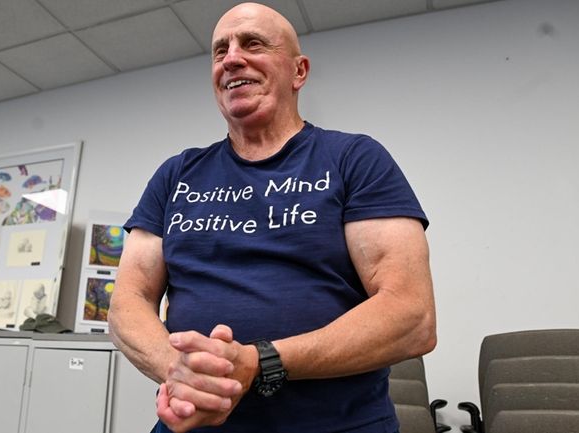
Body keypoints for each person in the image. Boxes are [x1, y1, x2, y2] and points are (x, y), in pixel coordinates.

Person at [108, 3, 436, 432]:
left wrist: (259, 361)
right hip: (192, 423)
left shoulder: (354, 159)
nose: (231, 58)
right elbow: (126, 302)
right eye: (219, 50)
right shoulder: (176, 174)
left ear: (298, 71)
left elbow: (413, 316)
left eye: (253, 43)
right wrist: (183, 373)